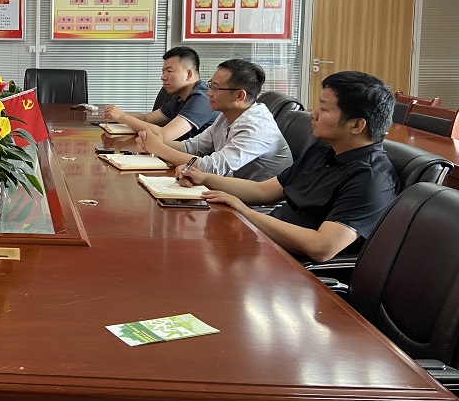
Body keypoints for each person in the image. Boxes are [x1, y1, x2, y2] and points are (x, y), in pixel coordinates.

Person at [178, 71, 396, 264]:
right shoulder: (324, 150)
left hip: (291, 266)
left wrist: (245, 211)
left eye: (324, 109)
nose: (313, 113)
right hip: (268, 243)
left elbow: (322, 247)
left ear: (356, 125)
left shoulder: (371, 179)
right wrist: (204, 178)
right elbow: (264, 191)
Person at [135, 59, 292, 181]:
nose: (208, 93)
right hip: (225, 192)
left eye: (216, 88)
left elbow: (212, 167)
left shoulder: (257, 128)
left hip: (255, 207)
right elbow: (191, 147)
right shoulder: (226, 115)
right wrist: (154, 141)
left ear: (239, 95)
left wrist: (159, 148)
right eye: (211, 85)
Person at [102, 46, 217, 140]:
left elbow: (165, 134)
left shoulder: (202, 99)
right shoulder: (179, 97)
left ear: (189, 74)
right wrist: (116, 113)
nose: (163, 77)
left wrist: (122, 117)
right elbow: (146, 118)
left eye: (169, 71)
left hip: (195, 160)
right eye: (163, 71)